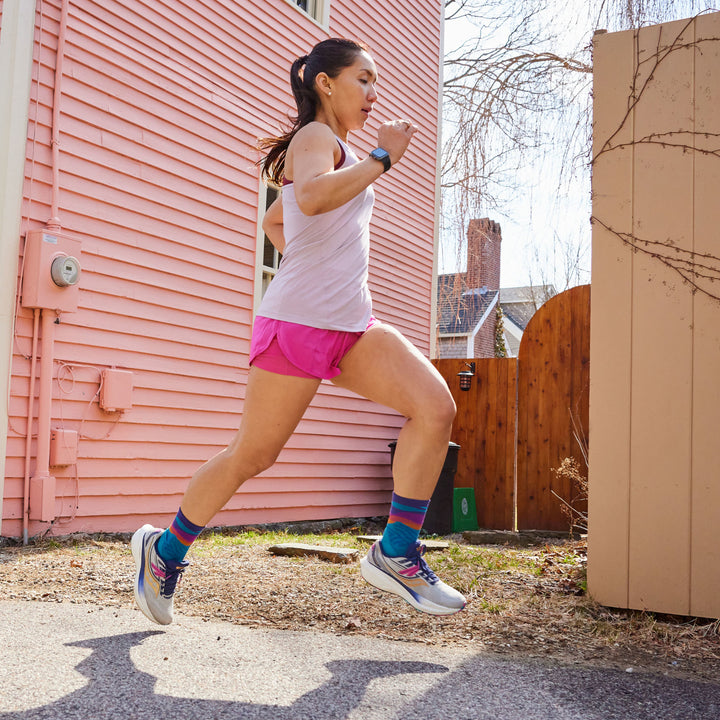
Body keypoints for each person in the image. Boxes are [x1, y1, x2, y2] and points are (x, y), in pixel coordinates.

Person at [131, 37, 466, 625]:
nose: (372, 93)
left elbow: (275, 220)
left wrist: (310, 267)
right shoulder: (317, 140)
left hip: (350, 324)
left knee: (435, 407)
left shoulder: (336, 148)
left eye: (375, 81)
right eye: (363, 79)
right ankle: (165, 550)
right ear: (324, 83)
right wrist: (382, 159)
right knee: (252, 456)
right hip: (298, 327)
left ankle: (396, 552)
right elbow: (307, 198)